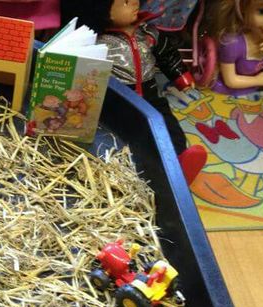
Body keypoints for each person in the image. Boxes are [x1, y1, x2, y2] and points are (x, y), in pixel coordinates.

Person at [65, 0, 207, 184]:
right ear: (100, 11)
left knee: (168, 127)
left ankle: (179, 162)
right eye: (124, 1)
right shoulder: (98, 41)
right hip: (119, 101)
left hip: (151, 96)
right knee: (126, 137)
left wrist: (181, 76)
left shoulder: (149, 33)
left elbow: (167, 54)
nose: (134, 2)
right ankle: (142, 170)